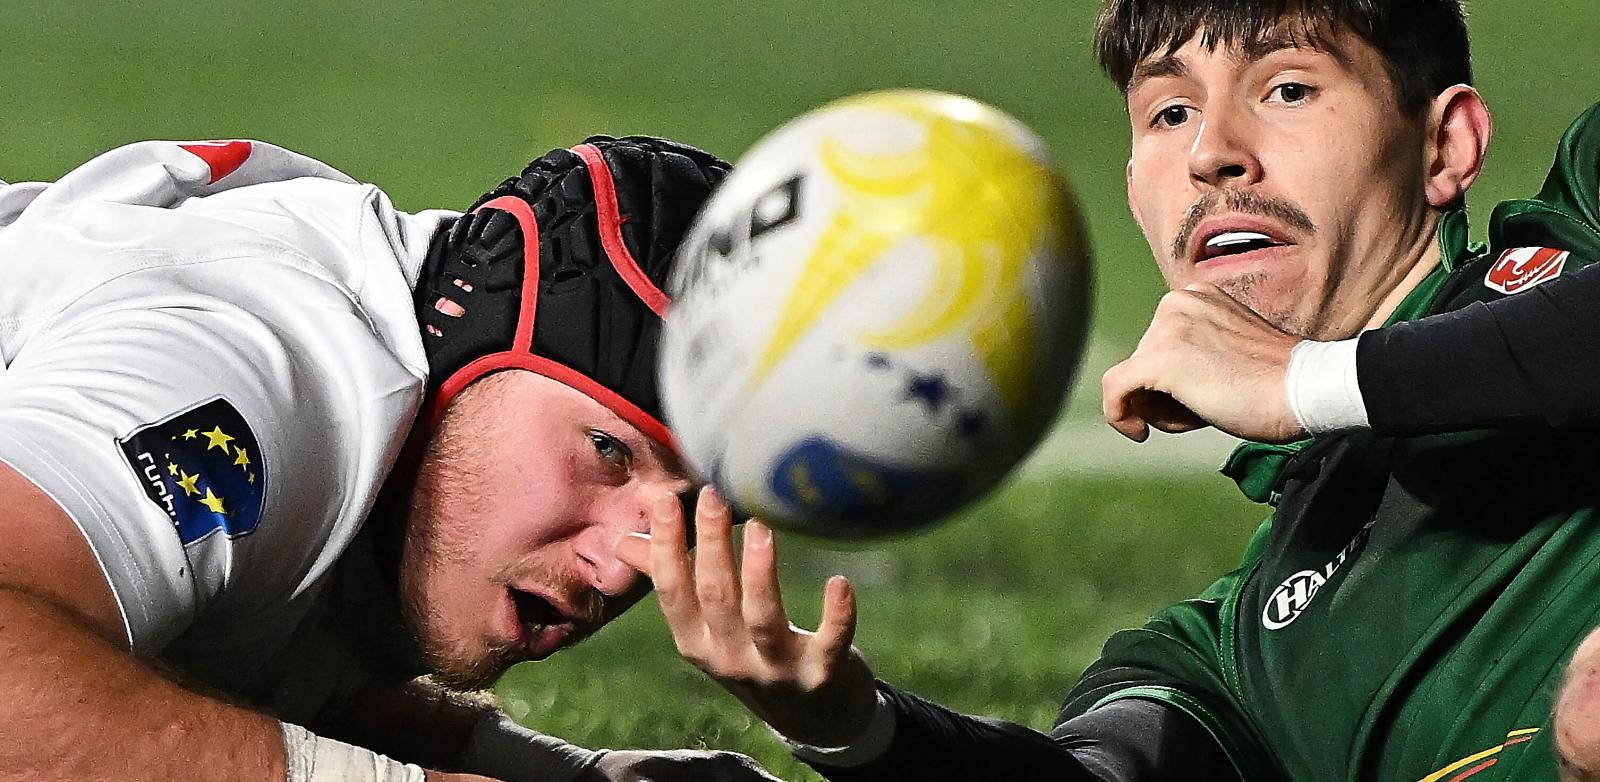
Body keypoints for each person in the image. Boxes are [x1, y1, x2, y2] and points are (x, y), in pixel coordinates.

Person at [615, 1, 1600, 780]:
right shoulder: (1239, 653)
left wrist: (1310, 379)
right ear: (1133, 185)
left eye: (1287, 89)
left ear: (1444, 146)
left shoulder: (1582, 220)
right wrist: (850, 727)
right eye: (1169, 111)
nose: (1214, 152)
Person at [0, 135, 791, 781]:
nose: (624, 567)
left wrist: (573, 777)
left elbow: (223, 657)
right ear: (477, 346)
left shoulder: (410, 409)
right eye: (607, 451)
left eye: (685, 511)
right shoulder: (261, 366)